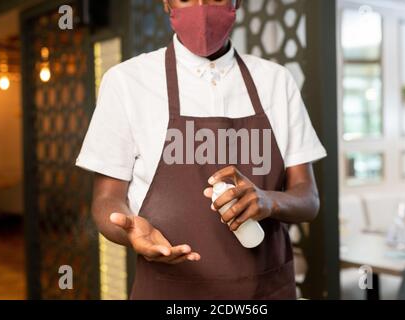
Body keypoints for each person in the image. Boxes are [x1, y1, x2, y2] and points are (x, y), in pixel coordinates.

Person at [76, 0, 327, 299]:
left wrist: (268, 201)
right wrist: (129, 232)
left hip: (265, 290)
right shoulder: (127, 82)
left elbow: (308, 199)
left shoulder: (276, 81)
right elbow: (106, 200)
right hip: (171, 292)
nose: (201, 6)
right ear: (167, 3)